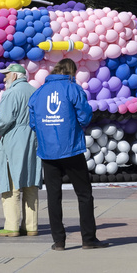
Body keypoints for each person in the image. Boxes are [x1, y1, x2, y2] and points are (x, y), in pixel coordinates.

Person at [29, 58, 105, 250]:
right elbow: (84, 116)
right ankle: (88, 239)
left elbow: (33, 123)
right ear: (71, 72)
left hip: (48, 151)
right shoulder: (73, 89)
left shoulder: (39, 92)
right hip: (71, 148)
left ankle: (59, 241)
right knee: (84, 194)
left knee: (53, 196)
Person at [0, 64, 41, 237]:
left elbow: (5, 120)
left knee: (11, 184)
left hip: (14, 139)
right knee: (30, 182)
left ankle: (12, 225)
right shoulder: (35, 91)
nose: (4, 78)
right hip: (33, 138)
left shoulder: (11, 93)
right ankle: (31, 226)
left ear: (14, 76)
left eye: (6, 75)